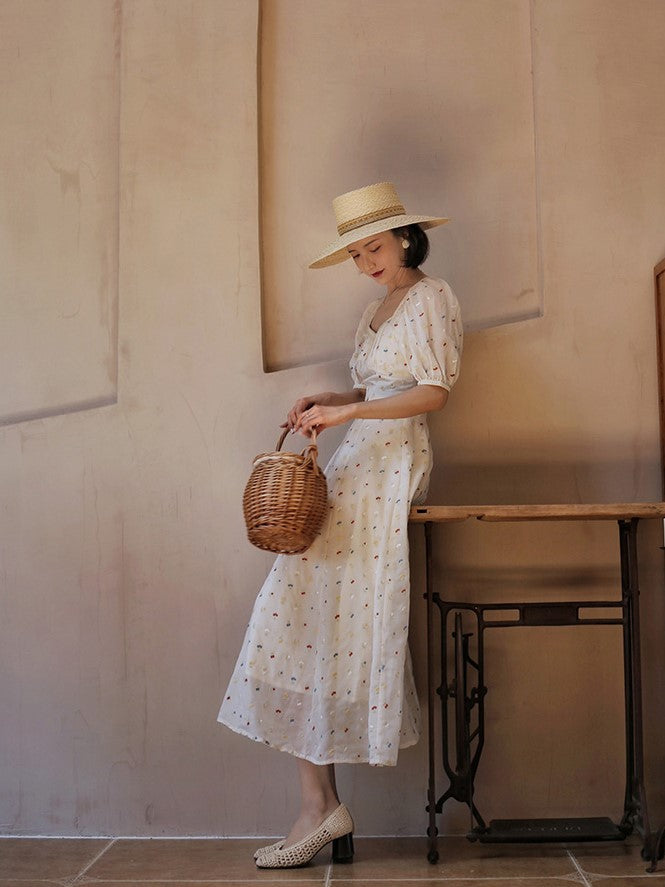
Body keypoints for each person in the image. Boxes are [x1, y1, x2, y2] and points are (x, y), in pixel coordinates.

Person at [218, 182, 462, 868]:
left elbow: (433, 391)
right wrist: (334, 398)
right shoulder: (375, 308)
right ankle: (317, 803)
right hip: (357, 460)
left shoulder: (432, 296)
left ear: (405, 237)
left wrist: (350, 415)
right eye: (355, 253)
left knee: (314, 618)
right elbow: (379, 386)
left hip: (387, 466)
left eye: (374, 247)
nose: (366, 262)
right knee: (299, 618)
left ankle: (317, 808)